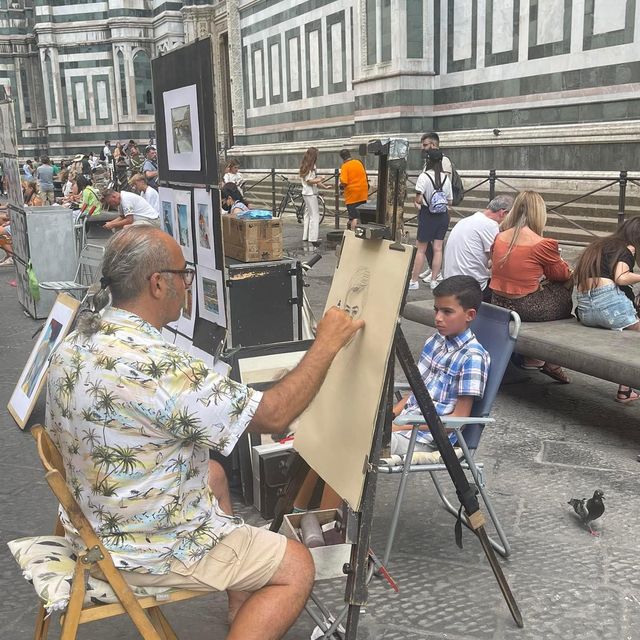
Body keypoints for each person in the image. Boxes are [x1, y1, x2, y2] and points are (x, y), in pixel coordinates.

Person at [45, 226, 364, 639]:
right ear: (158, 284)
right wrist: (325, 344)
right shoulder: (157, 365)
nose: (187, 286)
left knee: (213, 474)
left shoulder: (78, 338)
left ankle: (241, 606)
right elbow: (274, 416)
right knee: (296, 565)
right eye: (184, 276)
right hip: (141, 548)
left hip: (89, 518)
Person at [391, 276, 489, 455]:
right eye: (436, 310)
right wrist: (389, 417)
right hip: (404, 424)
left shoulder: (473, 357)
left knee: (354, 443)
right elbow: (416, 393)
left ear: (470, 315)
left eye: (447, 312)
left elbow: (457, 419)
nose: (438, 318)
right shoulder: (434, 342)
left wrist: (393, 428)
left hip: (426, 440)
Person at [490, 190, 572, 383]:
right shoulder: (543, 244)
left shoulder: (500, 236)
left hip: (498, 301)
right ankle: (545, 360)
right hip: (525, 307)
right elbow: (561, 275)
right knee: (565, 292)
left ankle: (536, 358)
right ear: (539, 214)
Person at [573, 216, 640, 403]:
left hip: (586, 310)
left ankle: (626, 390)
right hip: (609, 307)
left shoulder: (599, 245)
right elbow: (621, 277)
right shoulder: (627, 248)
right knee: (635, 339)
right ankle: (625, 389)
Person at [443, 195, 514, 301]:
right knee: (509, 293)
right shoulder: (490, 225)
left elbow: (481, 258)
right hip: (470, 288)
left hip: (450, 282)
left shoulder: (465, 220)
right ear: (503, 213)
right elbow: (500, 262)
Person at [409, 148, 452, 291]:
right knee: (438, 248)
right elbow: (450, 200)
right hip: (442, 215)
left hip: (427, 215)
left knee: (421, 249)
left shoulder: (424, 176)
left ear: (428, 160)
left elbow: (419, 198)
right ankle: (434, 280)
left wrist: (417, 203)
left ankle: (414, 281)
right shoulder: (445, 178)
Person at [299, 147, 330, 248]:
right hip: (310, 193)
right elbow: (310, 180)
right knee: (314, 216)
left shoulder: (305, 165)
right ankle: (313, 238)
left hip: (306, 192)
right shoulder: (311, 166)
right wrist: (321, 178)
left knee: (307, 215)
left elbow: (312, 180)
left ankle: (305, 236)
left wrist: (324, 186)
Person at [338, 149, 368, 232]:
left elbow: (344, 181)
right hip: (363, 193)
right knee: (361, 215)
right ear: (349, 155)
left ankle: (353, 235)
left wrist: (341, 187)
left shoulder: (345, 166)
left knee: (354, 217)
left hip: (352, 196)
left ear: (342, 158)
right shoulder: (358, 162)